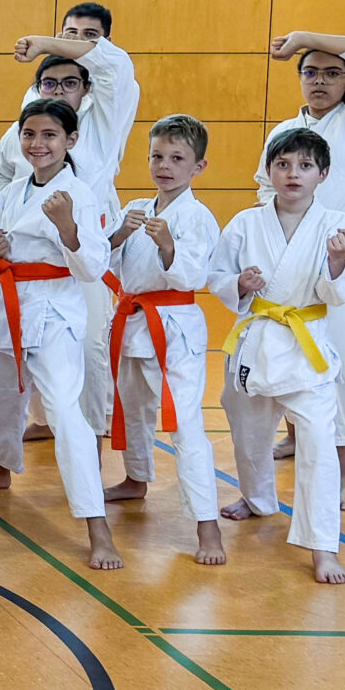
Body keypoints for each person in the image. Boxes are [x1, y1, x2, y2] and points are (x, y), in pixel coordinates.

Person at [210, 126, 345, 585]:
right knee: (249, 432)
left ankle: (322, 545)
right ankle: (257, 499)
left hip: (306, 348)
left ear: (323, 174)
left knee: (318, 444)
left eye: (303, 166)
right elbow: (217, 273)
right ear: (269, 172)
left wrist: (337, 264)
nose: (292, 174)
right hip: (255, 341)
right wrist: (239, 284)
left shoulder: (339, 225)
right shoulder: (244, 222)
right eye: (282, 165)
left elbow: (340, 292)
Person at [0, 13, 141, 458]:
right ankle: (23, 437)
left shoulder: (102, 118)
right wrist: (11, 211)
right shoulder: (22, 131)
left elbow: (115, 65)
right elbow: (0, 174)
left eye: (68, 83)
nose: (58, 90)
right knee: (15, 349)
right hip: (26, 260)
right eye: (49, 84)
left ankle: (88, 434)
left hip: (83, 250)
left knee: (88, 342)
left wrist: (44, 41)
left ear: (85, 87)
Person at [256, 30, 345, 508]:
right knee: (290, 345)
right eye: (310, 71)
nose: (319, 80)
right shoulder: (283, 130)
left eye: (332, 72)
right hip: (293, 249)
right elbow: (265, 190)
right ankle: (299, 435)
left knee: (342, 359)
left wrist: (304, 37)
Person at [0, 100, 120, 570]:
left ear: (70, 141)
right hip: (10, 305)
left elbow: (94, 268)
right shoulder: (12, 190)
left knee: (64, 412)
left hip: (56, 311)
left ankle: (96, 523)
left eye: (49, 136)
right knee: (3, 396)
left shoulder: (79, 192)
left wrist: (68, 229)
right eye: (30, 135)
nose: (37, 144)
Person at [104, 116, 227, 564]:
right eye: (158, 156)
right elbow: (108, 261)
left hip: (173, 326)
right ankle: (136, 478)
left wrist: (169, 246)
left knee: (184, 423)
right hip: (131, 318)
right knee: (132, 408)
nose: (165, 166)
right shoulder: (136, 206)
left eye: (178, 159)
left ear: (199, 166)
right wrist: (121, 233)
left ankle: (207, 527)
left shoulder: (197, 216)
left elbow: (198, 275)